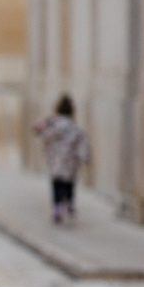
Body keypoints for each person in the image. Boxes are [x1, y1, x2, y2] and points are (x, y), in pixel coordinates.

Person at [33, 94, 90, 224]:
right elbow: (82, 142)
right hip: (70, 161)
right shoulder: (74, 127)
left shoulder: (53, 124)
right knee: (69, 183)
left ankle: (57, 207)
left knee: (56, 183)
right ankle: (69, 202)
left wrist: (45, 123)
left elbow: (40, 132)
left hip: (56, 160)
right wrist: (85, 157)